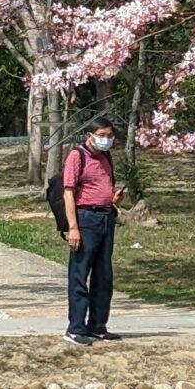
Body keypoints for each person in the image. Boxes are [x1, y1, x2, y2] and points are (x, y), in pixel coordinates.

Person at [60, 115, 121, 346]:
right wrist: (73, 228)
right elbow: (68, 193)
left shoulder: (106, 157)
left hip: (105, 216)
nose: (106, 140)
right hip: (86, 218)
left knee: (103, 275)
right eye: (102, 136)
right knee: (79, 273)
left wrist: (112, 199)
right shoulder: (77, 156)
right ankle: (76, 327)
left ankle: (98, 325)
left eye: (109, 136)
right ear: (90, 136)